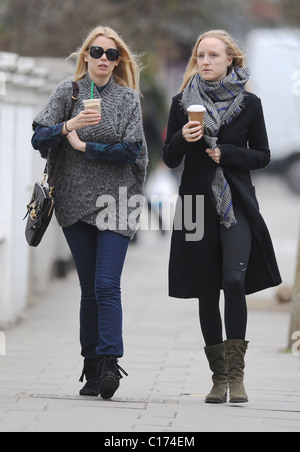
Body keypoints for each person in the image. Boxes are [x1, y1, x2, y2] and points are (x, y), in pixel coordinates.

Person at [162, 30, 282, 404]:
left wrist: (227, 153)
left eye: (214, 55)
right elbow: (169, 158)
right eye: (201, 56)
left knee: (233, 280)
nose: (206, 62)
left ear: (231, 59)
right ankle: (218, 379)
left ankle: (237, 376)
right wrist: (183, 136)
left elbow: (262, 155)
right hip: (196, 206)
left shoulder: (250, 104)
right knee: (204, 290)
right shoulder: (183, 103)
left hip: (236, 204)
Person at [32, 26, 148, 399]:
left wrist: (84, 146)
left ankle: (111, 361)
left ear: (119, 61)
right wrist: (69, 124)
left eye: (111, 54)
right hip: (73, 200)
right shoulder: (70, 92)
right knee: (88, 290)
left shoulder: (129, 99)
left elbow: (132, 150)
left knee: (105, 284)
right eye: (97, 51)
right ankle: (93, 367)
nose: (103, 59)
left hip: (118, 199)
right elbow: (38, 138)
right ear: (86, 55)